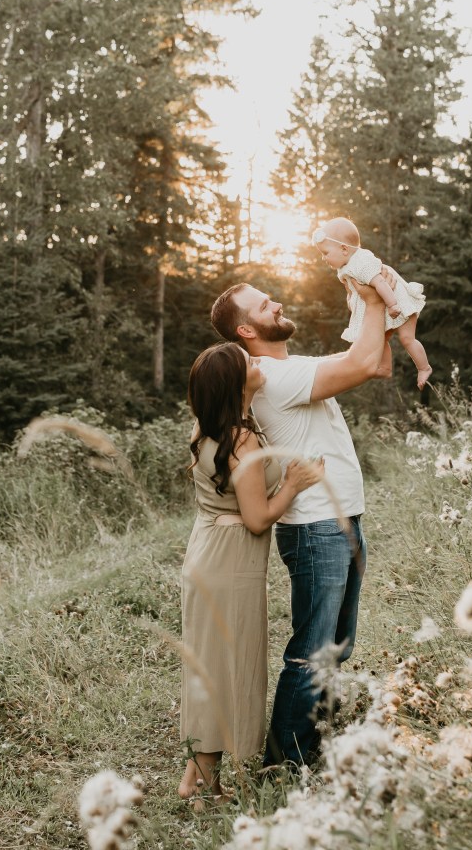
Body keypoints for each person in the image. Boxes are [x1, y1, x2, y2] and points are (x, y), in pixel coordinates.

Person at [210, 279, 391, 767]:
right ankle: (284, 762)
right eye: (264, 304)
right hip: (316, 528)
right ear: (247, 329)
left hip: (341, 519)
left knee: (337, 646)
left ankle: (316, 740)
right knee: (312, 650)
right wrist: (374, 298)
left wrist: (377, 306)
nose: (278, 303)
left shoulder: (290, 367)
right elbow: (360, 363)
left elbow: (376, 362)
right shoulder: (270, 375)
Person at [179, 342, 323, 803]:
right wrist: (295, 484)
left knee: (211, 664)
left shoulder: (211, 428)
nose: (258, 363)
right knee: (226, 668)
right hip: (229, 564)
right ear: (237, 384)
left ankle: (193, 778)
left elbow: (240, 505)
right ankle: (204, 788)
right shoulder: (241, 439)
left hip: (210, 552)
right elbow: (259, 518)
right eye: (250, 363)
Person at [313, 216, 432, 390]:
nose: (323, 258)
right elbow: (352, 290)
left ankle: (424, 367)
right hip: (384, 306)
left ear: (344, 249)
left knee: (407, 339)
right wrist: (351, 300)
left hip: (398, 301)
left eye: (325, 253)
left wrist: (392, 305)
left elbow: (381, 283)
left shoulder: (361, 262)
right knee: (379, 338)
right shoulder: (344, 267)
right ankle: (384, 367)